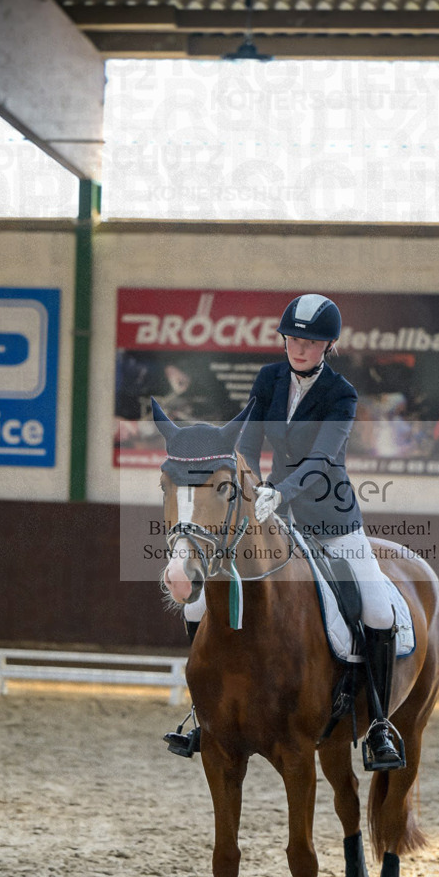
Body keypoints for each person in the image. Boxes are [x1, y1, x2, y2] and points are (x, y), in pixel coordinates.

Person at [170, 293, 405, 771]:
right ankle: (204, 712)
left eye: (310, 342)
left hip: (331, 518)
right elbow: (249, 442)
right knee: (196, 602)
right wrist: (253, 489)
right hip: (269, 512)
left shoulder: (342, 395)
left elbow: (322, 459)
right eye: (293, 339)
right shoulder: (269, 379)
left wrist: (281, 491)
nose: (299, 348)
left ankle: (379, 724)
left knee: (379, 610)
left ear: (328, 346)